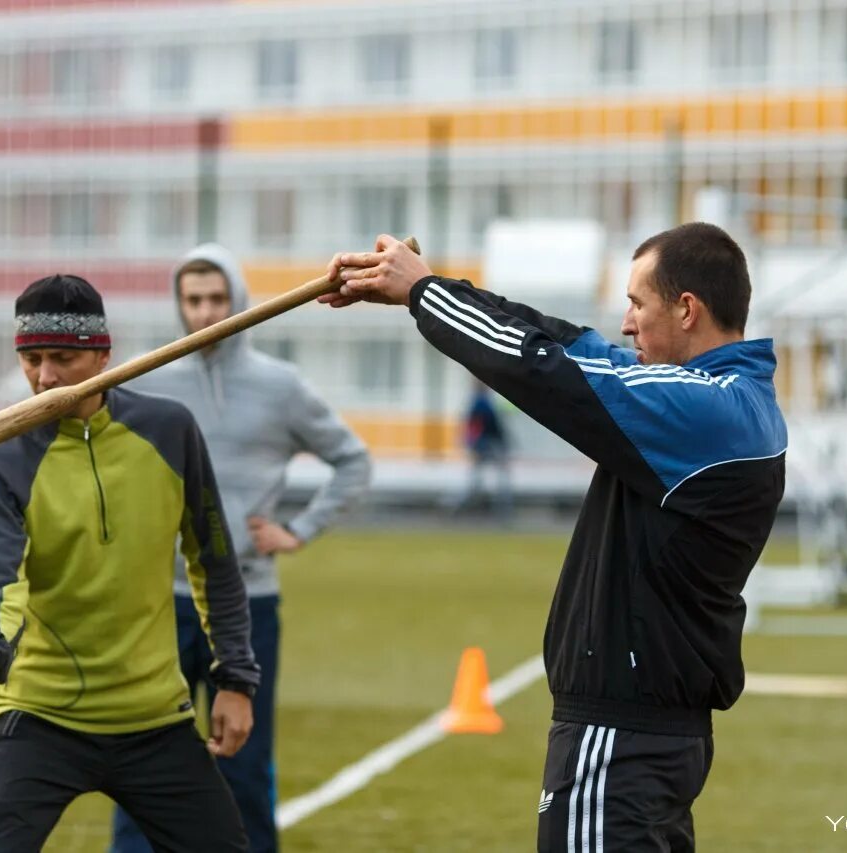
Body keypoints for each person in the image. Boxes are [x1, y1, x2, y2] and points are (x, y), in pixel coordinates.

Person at [323, 223, 787, 853]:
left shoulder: (705, 411)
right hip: (648, 737)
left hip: (618, 739)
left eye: (637, 303)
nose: (626, 322)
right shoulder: (727, 400)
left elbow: (549, 373)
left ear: (687, 310)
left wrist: (425, 293)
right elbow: (573, 345)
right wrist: (434, 290)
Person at [0, 273, 259, 853]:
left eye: (62, 358)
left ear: (104, 354)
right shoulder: (0, 461)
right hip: (39, 715)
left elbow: (214, 563)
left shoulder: (170, 430)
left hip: (154, 718)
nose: (45, 378)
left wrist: (234, 680)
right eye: (31, 359)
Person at [112, 245, 371, 853]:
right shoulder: (146, 382)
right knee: (140, 761)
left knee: (246, 767)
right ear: (178, 305)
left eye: (215, 299)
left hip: (248, 604)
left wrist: (298, 530)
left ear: (238, 301)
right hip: (158, 605)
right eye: (192, 300)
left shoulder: (279, 387)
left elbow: (352, 461)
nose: (204, 313)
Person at [454, 379, 512, 519]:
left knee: (477, 479)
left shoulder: (477, 402)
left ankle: (462, 508)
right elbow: (489, 425)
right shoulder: (483, 403)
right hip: (489, 444)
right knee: (498, 480)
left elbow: (472, 426)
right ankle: (503, 511)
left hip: (483, 444)